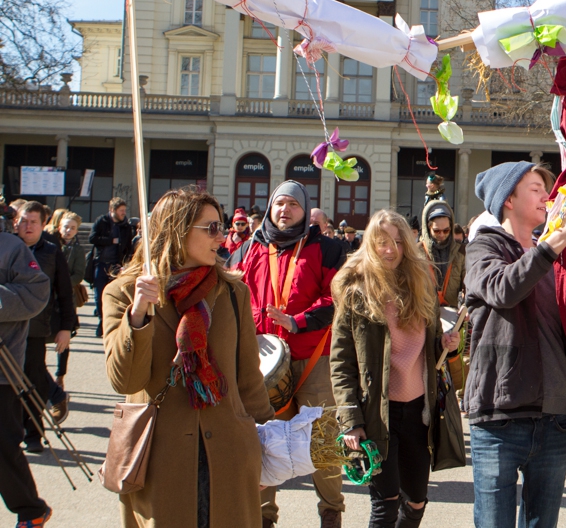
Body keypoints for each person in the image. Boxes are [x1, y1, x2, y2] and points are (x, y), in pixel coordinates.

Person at [103, 188, 275, 528]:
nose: (222, 237)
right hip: (160, 458)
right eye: (211, 228)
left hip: (229, 453)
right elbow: (125, 380)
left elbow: (248, 377)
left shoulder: (231, 291)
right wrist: (138, 316)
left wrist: (267, 447)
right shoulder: (124, 292)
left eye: (222, 227)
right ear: (177, 229)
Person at [464, 161, 566, 528]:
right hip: (499, 417)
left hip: (553, 418)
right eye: (535, 188)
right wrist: (553, 243)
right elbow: (503, 290)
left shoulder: (555, 256)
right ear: (507, 200)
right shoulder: (483, 247)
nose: (546, 196)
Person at [331, 210, 459, 528]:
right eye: (382, 242)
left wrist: (445, 343)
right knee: (385, 503)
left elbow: (425, 351)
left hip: (418, 412)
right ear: (370, 244)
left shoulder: (421, 287)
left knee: (416, 501)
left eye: (399, 242)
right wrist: (350, 420)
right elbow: (341, 362)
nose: (391, 250)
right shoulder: (355, 293)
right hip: (377, 411)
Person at [230, 181, 347, 528]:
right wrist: (255, 326)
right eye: (279, 204)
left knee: (323, 439)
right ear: (270, 208)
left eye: (293, 205)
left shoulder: (326, 248)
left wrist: (298, 322)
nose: (285, 210)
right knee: (263, 440)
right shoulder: (247, 250)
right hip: (262, 362)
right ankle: (263, 516)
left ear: (305, 209)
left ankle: (331, 512)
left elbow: (335, 297)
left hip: (313, 357)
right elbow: (234, 297)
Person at [14, 203, 75, 450]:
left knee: (34, 381)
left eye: (33, 222)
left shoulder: (51, 251)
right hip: (7, 327)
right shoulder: (6, 247)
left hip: (37, 329)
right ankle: (11, 431)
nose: (27, 227)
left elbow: (65, 292)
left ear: (43, 224)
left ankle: (33, 432)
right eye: (23, 221)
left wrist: (66, 328)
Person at [0, 230, 51, 527]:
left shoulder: (11, 247)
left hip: (2, 371)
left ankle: (31, 510)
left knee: (3, 446)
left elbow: (36, 293)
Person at [419, 200, 466, 392]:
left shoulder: (461, 251)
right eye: (436, 231)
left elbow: (469, 282)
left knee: (454, 365)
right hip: (423, 319)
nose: (441, 235)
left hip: (452, 316)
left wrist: (468, 301)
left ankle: (455, 396)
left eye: (446, 231)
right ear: (427, 227)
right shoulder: (416, 252)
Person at [45, 210, 86, 397]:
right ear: (59, 226)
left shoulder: (77, 250)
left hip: (66, 297)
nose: (68, 231)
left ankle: (60, 374)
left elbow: (79, 274)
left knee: (64, 337)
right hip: (46, 296)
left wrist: (61, 282)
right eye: (66, 227)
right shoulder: (50, 245)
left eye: (72, 228)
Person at [89, 196, 134, 335]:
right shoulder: (101, 221)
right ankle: (102, 320)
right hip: (101, 263)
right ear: (112, 210)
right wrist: (110, 240)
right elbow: (92, 238)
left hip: (116, 265)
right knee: (99, 294)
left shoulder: (126, 227)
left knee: (114, 295)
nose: (123, 213)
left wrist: (126, 264)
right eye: (121, 210)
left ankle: (110, 322)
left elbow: (128, 247)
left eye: (124, 210)